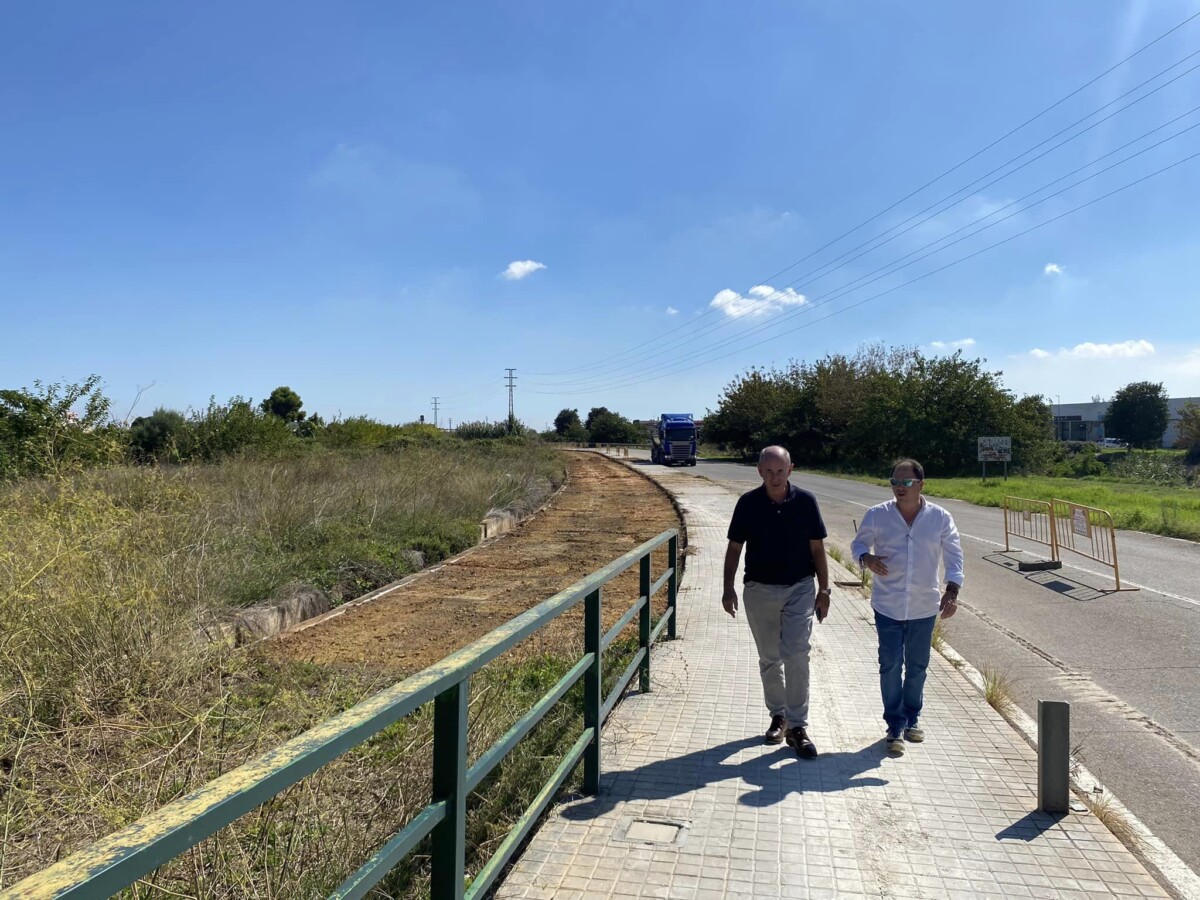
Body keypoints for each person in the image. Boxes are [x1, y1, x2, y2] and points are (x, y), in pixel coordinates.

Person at [723, 445, 831, 759]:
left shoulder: (806, 502)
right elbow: (734, 549)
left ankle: (797, 727)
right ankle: (778, 716)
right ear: (759, 471)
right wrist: (728, 589)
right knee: (770, 657)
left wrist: (824, 590)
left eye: (780, 470)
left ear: (790, 469)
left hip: (799, 587)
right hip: (759, 589)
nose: (775, 477)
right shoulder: (748, 504)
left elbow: (818, 550)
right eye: (768, 471)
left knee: (796, 652)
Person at [851, 458, 963, 756]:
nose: (900, 488)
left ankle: (913, 717)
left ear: (921, 484)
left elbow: (954, 556)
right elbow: (858, 545)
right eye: (895, 482)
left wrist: (952, 590)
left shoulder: (940, 518)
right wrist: (866, 559)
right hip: (887, 604)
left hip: (923, 606)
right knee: (890, 665)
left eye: (907, 482)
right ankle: (894, 724)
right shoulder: (877, 515)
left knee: (917, 667)